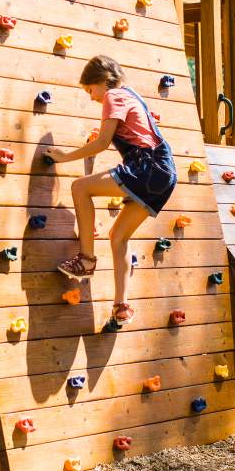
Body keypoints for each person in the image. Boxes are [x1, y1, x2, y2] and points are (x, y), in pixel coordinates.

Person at [44, 55, 177, 329]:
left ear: (104, 81)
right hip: (164, 173)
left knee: (80, 187)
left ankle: (86, 259)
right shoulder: (131, 95)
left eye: (90, 90)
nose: (92, 97)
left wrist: (64, 157)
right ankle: (121, 305)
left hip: (146, 166)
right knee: (118, 236)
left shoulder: (113, 96)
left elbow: (104, 142)